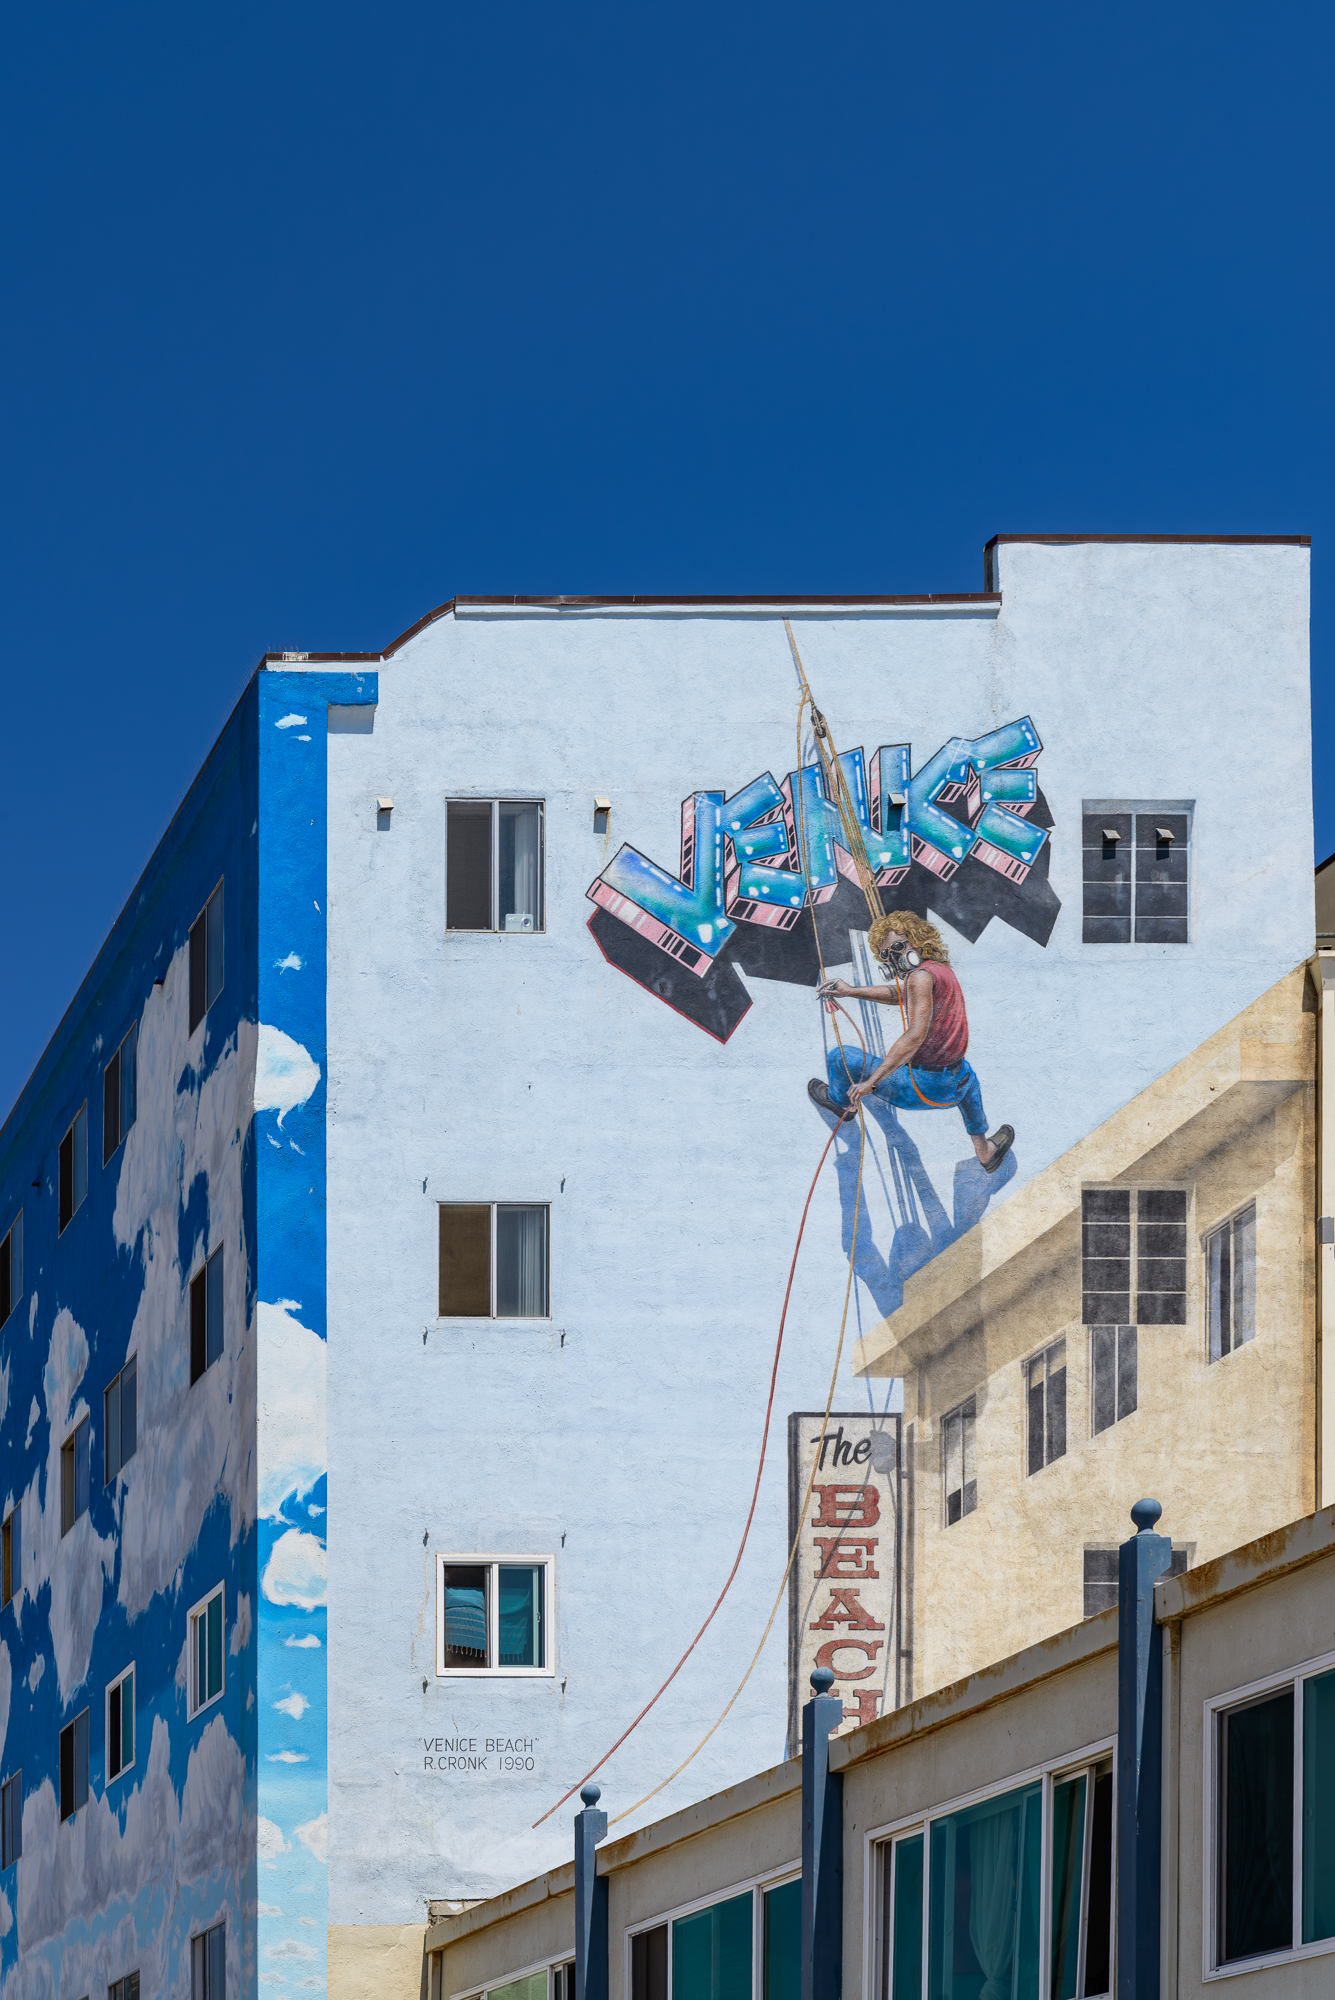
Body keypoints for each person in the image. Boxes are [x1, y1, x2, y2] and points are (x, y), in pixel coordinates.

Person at [807, 912, 1014, 1173]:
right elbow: (899, 994)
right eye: (886, 955)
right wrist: (850, 991)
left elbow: (914, 1036)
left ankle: (842, 1104)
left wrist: (872, 1082)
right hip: (956, 1084)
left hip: (923, 1089)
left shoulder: (920, 977)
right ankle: (985, 1152)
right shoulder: (938, 972)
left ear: (917, 940)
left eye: (898, 947)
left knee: (840, 1056)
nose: (894, 957)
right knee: (968, 1080)